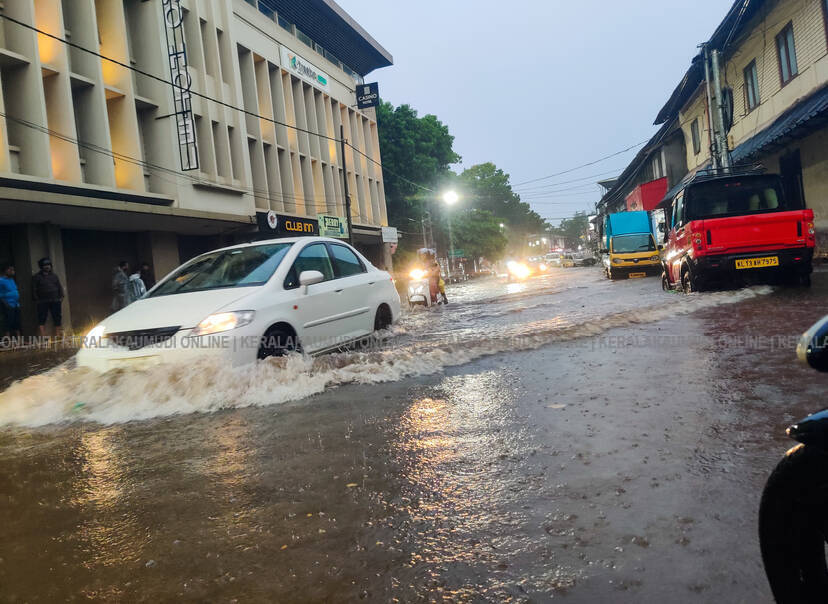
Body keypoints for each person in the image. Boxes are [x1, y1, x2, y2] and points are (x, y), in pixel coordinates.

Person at [32, 257, 64, 339]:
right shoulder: (37, 277)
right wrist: (37, 300)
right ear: (41, 266)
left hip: (55, 299)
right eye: (45, 265)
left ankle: (58, 334)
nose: (47, 267)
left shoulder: (54, 276)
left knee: (57, 317)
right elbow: (34, 289)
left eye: (49, 265)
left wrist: (61, 296)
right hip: (43, 301)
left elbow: (59, 286)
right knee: (42, 317)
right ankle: (43, 336)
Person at [0, 263, 21, 339]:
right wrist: (6, 304)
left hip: (16, 304)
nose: (13, 271)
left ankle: (19, 339)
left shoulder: (12, 279)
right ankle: (8, 340)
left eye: (13, 269)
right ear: (5, 271)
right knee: (8, 322)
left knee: (17, 322)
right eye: (11, 269)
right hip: (8, 304)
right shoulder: (1, 280)